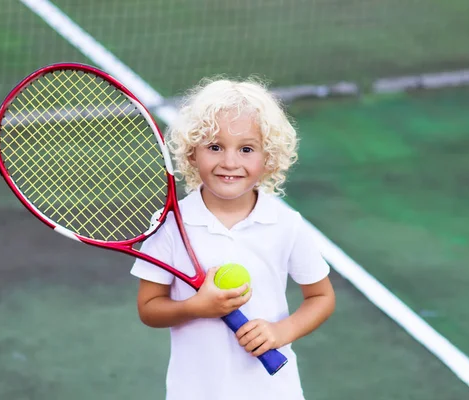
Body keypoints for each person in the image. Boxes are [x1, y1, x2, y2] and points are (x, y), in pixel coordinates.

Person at [130, 77, 335, 400]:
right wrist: (197, 306)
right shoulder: (170, 224)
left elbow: (321, 298)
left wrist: (281, 332)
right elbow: (149, 308)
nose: (229, 162)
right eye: (214, 147)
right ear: (192, 153)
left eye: (246, 149)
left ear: (268, 157)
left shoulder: (285, 224)